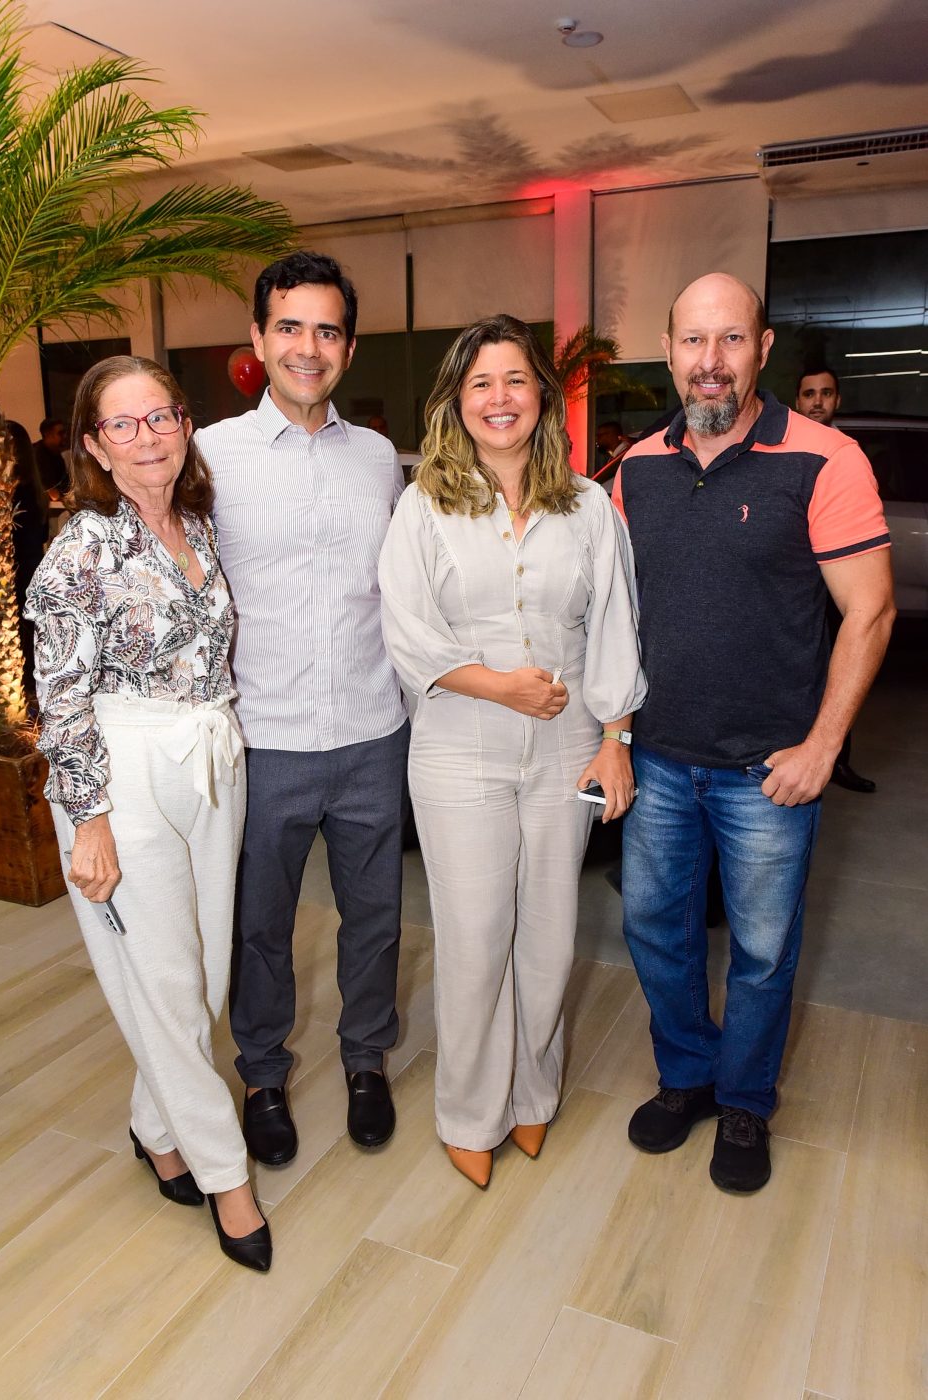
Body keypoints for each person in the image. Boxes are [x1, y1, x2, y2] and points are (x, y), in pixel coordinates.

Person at [615, 274, 894, 1193]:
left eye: (730, 340)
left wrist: (821, 747)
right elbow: (614, 614)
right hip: (657, 759)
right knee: (658, 932)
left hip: (766, 772)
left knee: (764, 949)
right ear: (669, 350)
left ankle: (744, 1099)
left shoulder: (825, 458)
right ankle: (687, 1077)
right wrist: (613, 734)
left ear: (763, 349)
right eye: (694, 342)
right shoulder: (635, 469)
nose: (710, 363)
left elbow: (871, 612)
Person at [379, 314, 646, 1187]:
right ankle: (469, 1109)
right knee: (474, 933)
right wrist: (503, 687)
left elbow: (615, 627)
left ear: (543, 396)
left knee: (551, 933)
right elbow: (409, 637)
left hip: (568, 744)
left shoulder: (590, 506)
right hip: (460, 749)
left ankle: (533, 1094)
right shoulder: (423, 506)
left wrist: (616, 739)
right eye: (482, 383)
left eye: (517, 381)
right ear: (458, 399)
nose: (501, 398)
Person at [26, 356, 271, 1272]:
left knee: (198, 980)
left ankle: (151, 1126)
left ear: (184, 423)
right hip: (121, 777)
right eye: (121, 425)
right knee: (169, 984)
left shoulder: (197, 524)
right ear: (91, 443)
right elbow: (61, 695)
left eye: (160, 416)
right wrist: (87, 820)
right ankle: (225, 1177)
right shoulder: (79, 548)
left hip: (209, 760)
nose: (147, 437)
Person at [195, 251, 409, 1164]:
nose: (307, 346)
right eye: (290, 326)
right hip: (265, 736)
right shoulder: (207, 455)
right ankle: (265, 1074)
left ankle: (366, 1060)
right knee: (261, 925)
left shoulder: (378, 461)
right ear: (258, 339)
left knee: (376, 917)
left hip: (372, 729)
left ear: (349, 347)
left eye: (327, 329)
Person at [795, 365, 876, 793]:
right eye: (809, 394)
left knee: (842, 668)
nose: (817, 401)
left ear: (837, 400)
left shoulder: (848, 454)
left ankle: (836, 758)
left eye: (826, 393)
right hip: (801, 591)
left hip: (838, 587)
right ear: (798, 400)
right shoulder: (788, 455)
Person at [6, 420, 49, 696]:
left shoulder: (10, 493)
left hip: (16, 571)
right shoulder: (36, 490)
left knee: (20, 633)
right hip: (32, 568)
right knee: (30, 632)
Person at [33, 416, 69, 496]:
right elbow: (53, 493)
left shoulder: (56, 454)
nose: (65, 436)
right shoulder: (38, 456)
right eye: (60, 433)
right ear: (47, 435)